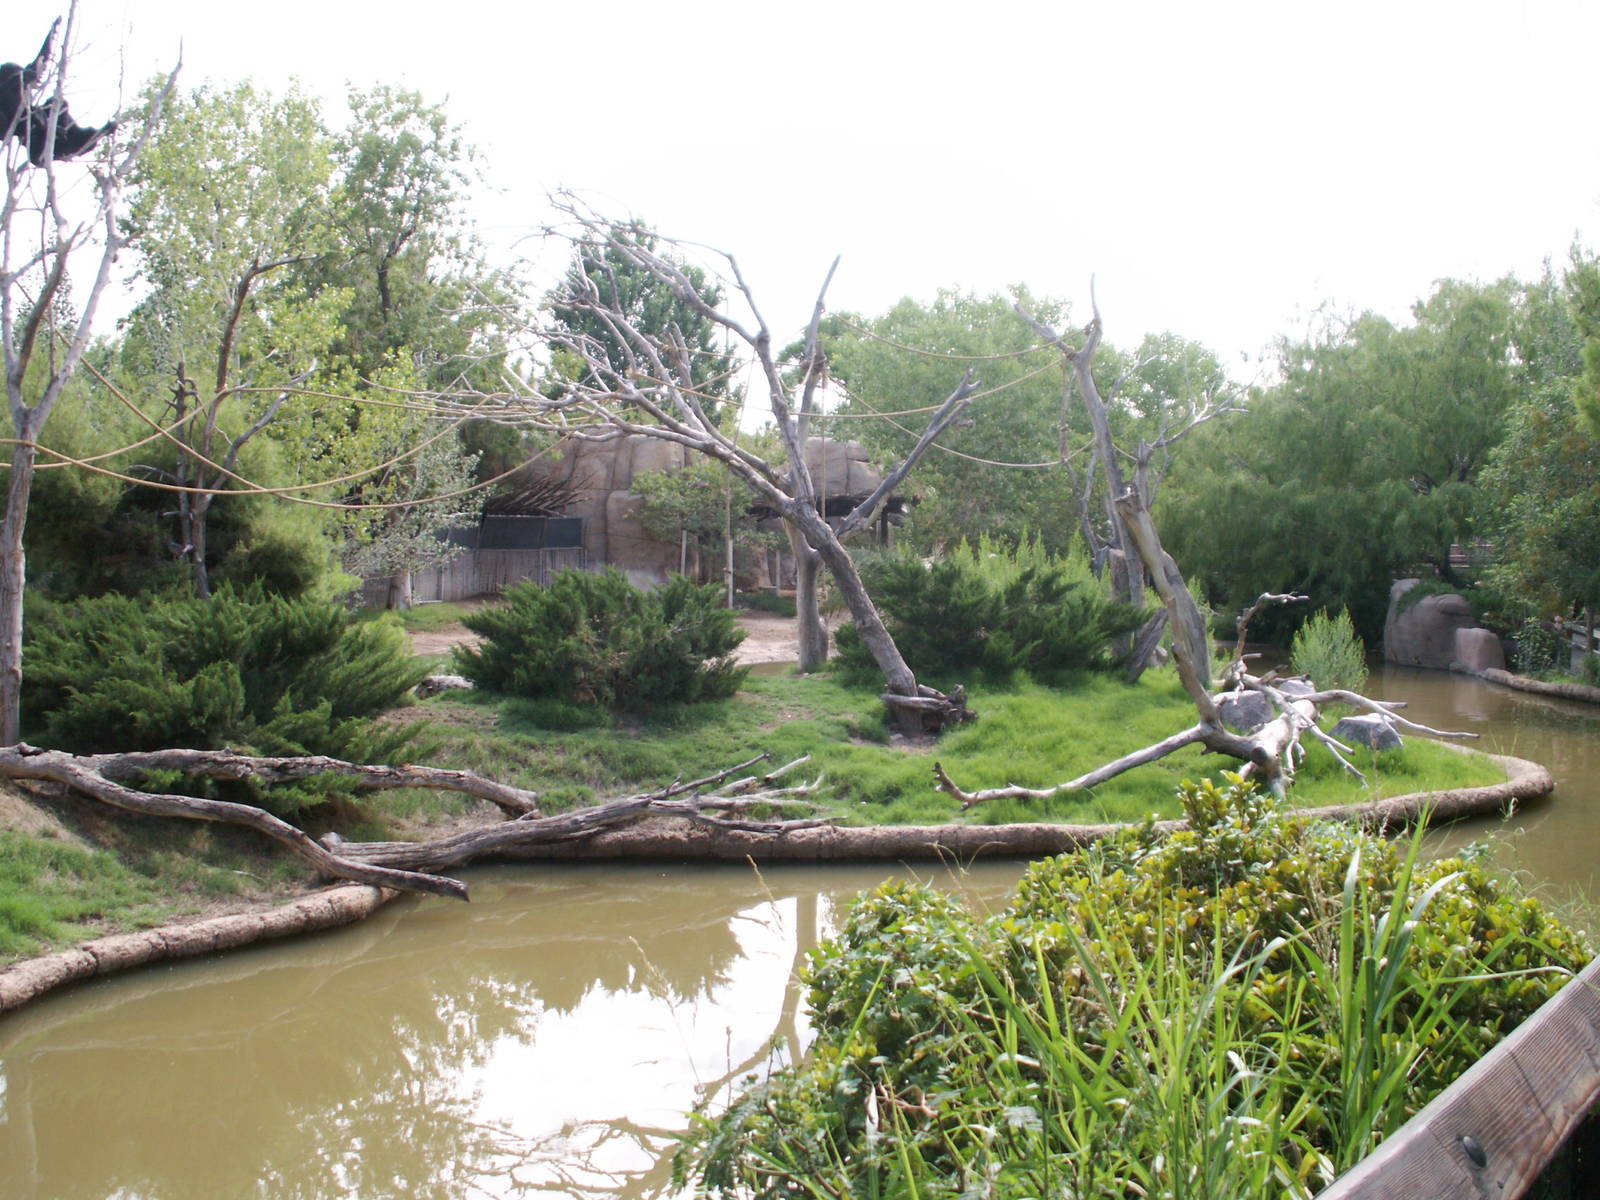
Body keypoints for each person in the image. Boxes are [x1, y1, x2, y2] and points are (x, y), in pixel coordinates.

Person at [0, 20, 116, 167]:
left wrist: (52, 33)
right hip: (31, 136)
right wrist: (18, 80)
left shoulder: (22, 86)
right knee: (35, 117)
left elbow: (40, 64)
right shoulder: (7, 90)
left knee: (57, 103)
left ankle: (83, 138)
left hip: (42, 125)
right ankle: (57, 136)